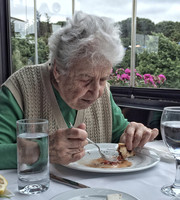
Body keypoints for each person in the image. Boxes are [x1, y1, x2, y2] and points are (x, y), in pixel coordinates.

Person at [0, 11, 158, 169]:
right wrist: (41, 150)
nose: (97, 93)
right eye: (85, 79)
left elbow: (120, 134)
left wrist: (132, 134)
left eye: (103, 79)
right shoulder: (19, 88)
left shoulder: (104, 94)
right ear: (57, 70)